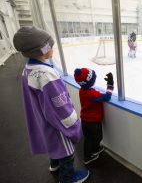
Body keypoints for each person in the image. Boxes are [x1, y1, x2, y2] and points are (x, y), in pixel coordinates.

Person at [13, 26, 89, 183]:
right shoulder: (47, 75)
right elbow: (60, 107)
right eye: (49, 45)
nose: (52, 47)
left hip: (42, 120)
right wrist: (73, 124)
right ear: (41, 50)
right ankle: (68, 178)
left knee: (52, 143)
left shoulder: (28, 69)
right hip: (55, 124)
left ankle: (54, 163)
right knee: (66, 150)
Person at [74, 69, 114, 165]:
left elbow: (93, 95)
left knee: (88, 139)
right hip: (93, 122)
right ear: (90, 82)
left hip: (84, 120)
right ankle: (93, 153)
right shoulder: (92, 94)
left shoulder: (82, 90)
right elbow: (107, 97)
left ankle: (87, 155)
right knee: (97, 137)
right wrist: (110, 84)